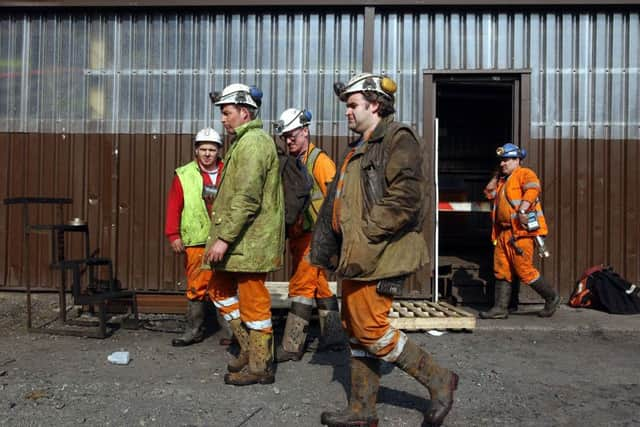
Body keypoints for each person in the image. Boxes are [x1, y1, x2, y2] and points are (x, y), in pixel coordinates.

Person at [310, 73, 458, 427]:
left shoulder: (397, 138)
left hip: (380, 252)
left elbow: (406, 197)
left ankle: (439, 379)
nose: (347, 111)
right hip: (358, 255)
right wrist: (330, 247)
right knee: (354, 326)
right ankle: (363, 410)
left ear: (374, 104)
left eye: (353, 105)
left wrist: (366, 233)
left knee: (371, 327)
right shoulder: (359, 146)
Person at [203, 83, 285, 386]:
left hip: (249, 241)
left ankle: (260, 365)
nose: (223, 119)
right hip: (242, 239)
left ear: (244, 112)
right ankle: (251, 350)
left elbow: (248, 198)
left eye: (227, 113)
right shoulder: (244, 142)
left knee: (254, 302)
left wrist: (224, 239)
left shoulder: (253, 144)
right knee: (219, 289)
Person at [273, 108, 345, 362]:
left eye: (292, 136)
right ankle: (334, 336)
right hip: (300, 235)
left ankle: (292, 346)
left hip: (315, 237)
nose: (289, 141)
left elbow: (338, 201)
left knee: (301, 285)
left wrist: (334, 239)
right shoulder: (296, 162)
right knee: (319, 284)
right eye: (285, 138)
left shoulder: (320, 162)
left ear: (305, 131)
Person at [480, 143, 560, 319]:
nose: (503, 164)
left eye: (506, 160)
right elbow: (488, 193)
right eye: (501, 161)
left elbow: (533, 189)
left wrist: (522, 211)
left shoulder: (525, 173)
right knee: (501, 270)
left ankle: (551, 297)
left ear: (517, 160)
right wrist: (496, 176)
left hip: (520, 233)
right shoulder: (503, 181)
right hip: (504, 233)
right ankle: (500, 308)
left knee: (524, 270)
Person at [165, 127, 226, 347]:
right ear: (196, 150)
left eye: (212, 149)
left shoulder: (229, 170)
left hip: (225, 239)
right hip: (197, 240)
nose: (207, 154)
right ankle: (194, 329)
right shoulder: (184, 174)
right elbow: (174, 206)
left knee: (225, 285)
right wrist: (173, 235)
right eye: (203, 149)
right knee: (196, 284)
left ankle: (231, 332)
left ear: (219, 151)